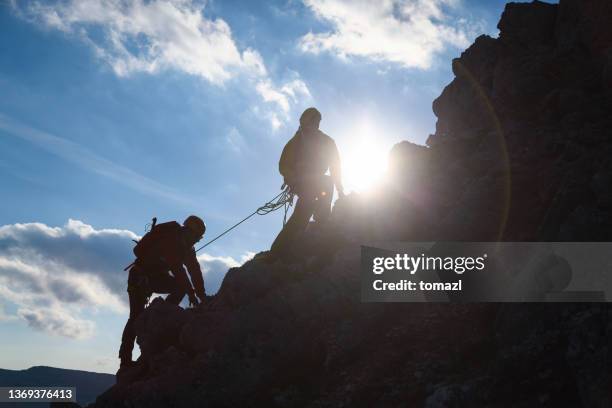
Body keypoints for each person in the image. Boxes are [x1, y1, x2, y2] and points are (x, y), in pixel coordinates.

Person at [118, 215, 207, 368]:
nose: (197, 240)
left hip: (156, 277)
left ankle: (162, 315)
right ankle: (125, 361)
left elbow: (194, 270)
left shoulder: (187, 247)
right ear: (189, 232)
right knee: (135, 316)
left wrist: (201, 294)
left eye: (199, 238)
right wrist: (193, 293)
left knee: (180, 288)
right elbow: (178, 269)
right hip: (140, 277)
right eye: (197, 237)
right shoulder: (172, 239)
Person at [270, 107, 345, 256]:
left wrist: (339, 188)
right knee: (304, 209)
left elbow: (335, 166)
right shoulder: (298, 141)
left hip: (310, 182)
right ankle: (280, 249)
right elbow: (284, 164)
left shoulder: (319, 141)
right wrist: (293, 179)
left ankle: (320, 221)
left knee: (305, 208)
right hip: (304, 182)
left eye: (312, 122)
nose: (309, 125)